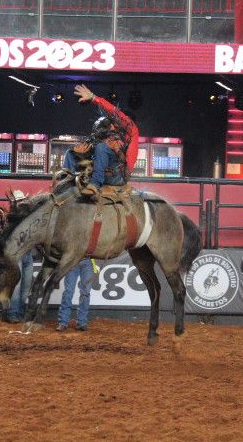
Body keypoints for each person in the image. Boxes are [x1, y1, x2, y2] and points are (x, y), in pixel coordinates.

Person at [73, 84, 139, 201]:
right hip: (106, 172)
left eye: (117, 121)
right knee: (72, 151)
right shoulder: (110, 135)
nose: (114, 123)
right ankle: (67, 181)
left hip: (118, 177)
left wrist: (94, 98)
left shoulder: (131, 131)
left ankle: (95, 184)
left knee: (101, 148)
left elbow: (115, 113)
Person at [56, 147, 95, 332]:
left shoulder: (85, 218)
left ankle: (74, 322)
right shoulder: (80, 218)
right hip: (79, 259)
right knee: (72, 292)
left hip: (84, 259)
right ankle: (68, 322)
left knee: (80, 292)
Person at [3, 250, 34, 323]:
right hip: (15, 252)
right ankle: (12, 313)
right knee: (16, 286)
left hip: (28, 253)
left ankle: (20, 313)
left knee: (26, 287)